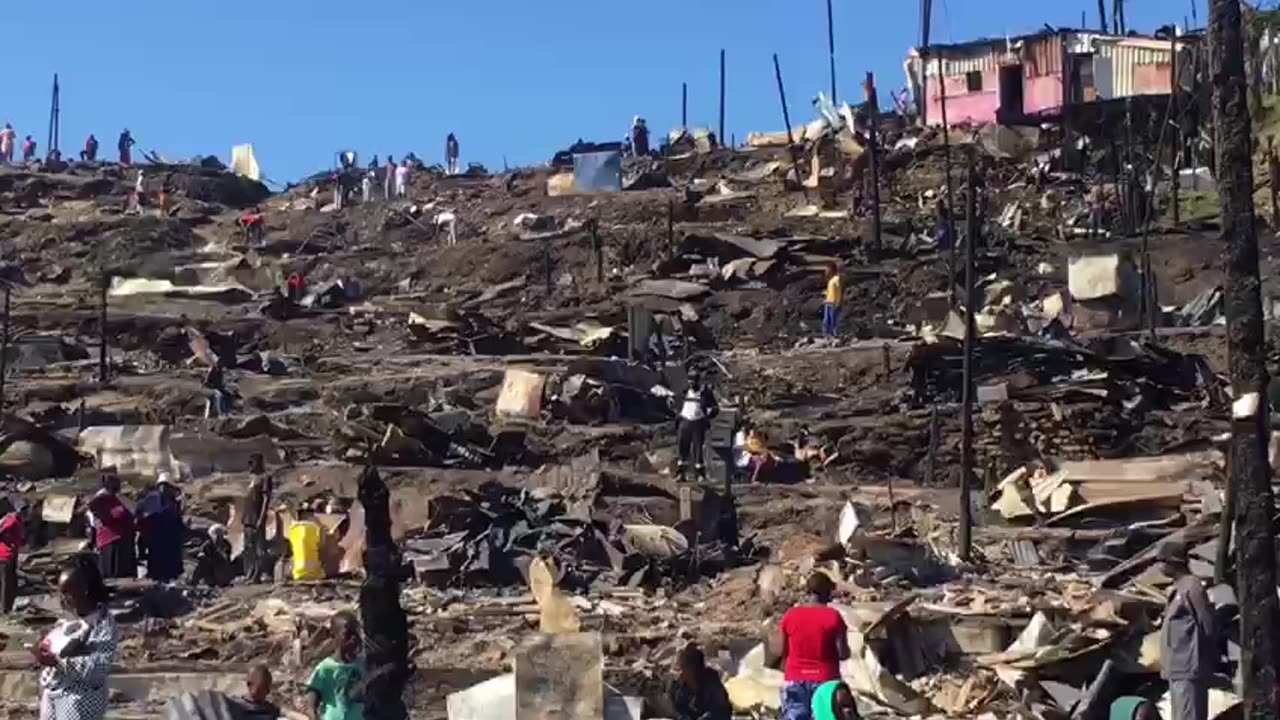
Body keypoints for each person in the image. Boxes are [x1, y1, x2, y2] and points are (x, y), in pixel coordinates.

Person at [36, 554, 120, 720]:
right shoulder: (69, 618)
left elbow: (97, 668)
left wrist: (59, 662)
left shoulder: (102, 626)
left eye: (67, 593)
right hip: (55, 692)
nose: (62, 599)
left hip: (79, 701)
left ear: (83, 590)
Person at [778, 572, 850, 720]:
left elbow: (782, 651)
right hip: (825, 680)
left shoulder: (790, 615)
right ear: (827, 592)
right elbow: (843, 653)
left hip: (795, 678)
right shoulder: (833, 616)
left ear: (808, 591)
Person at [1159, 543, 1214, 720]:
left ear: (1174, 563)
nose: (1159, 566)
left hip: (1189, 667)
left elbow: (1206, 624)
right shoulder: (1177, 588)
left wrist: (1205, 659)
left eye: (1162, 561)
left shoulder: (1192, 586)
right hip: (1176, 668)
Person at [306, 611, 367, 720]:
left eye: (355, 634)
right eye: (347, 634)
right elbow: (311, 704)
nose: (353, 638)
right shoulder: (325, 668)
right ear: (334, 635)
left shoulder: (363, 666)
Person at [86, 468, 136, 580]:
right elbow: (94, 519)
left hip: (125, 541)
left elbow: (134, 510)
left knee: (125, 576)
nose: (114, 484)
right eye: (110, 481)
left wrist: (117, 495)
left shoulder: (121, 499)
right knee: (112, 577)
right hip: (110, 543)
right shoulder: (98, 501)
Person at [136, 472, 184, 582]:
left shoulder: (174, 503)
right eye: (162, 485)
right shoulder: (151, 500)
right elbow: (141, 516)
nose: (164, 488)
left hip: (171, 541)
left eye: (166, 486)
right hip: (156, 540)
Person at [675, 370, 718, 483]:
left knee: (698, 448)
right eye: (689, 380)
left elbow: (715, 407)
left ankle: (700, 474)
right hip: (685, 421)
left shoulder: (706, 392)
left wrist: (710, 414)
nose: (691, 382)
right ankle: (681, 473)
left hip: (698, 422)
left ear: (698, 381)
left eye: (693, 380)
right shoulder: (684, 390)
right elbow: (676, 402)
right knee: (682, 447)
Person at [669, 644, 731, 720]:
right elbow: (679, 709)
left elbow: (720, 711)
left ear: (693, 668)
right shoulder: (681, 686)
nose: (680, 672)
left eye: (683, 667)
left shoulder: (712, 685)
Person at [242, 454, 273, 582]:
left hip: (256, 518)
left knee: (259, 549)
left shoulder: (265, 478)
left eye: (252, 463)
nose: (249, 466)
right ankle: (249, 573)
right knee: (248, 548)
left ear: (258, 463)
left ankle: (257, 575)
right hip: (247, 519)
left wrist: (261, 518)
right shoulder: (252, 479)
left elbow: (266, 499)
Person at [0, 498, 24, 613]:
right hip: (5, 556)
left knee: (10, 583)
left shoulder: (11, 520)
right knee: (7, 585)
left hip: (9, 555)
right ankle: (6, 610)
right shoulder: (11, 520)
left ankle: (7, 608)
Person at [822, 263, 842, 338]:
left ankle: (834, 334)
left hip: (834, 303)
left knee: (833, 319)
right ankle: (826, 334)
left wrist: (838, 301)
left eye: (827, 270)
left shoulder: (836, 279)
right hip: (828, 302)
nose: (826, 271)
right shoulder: (830, 281)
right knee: (826, 320)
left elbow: (839, 291)